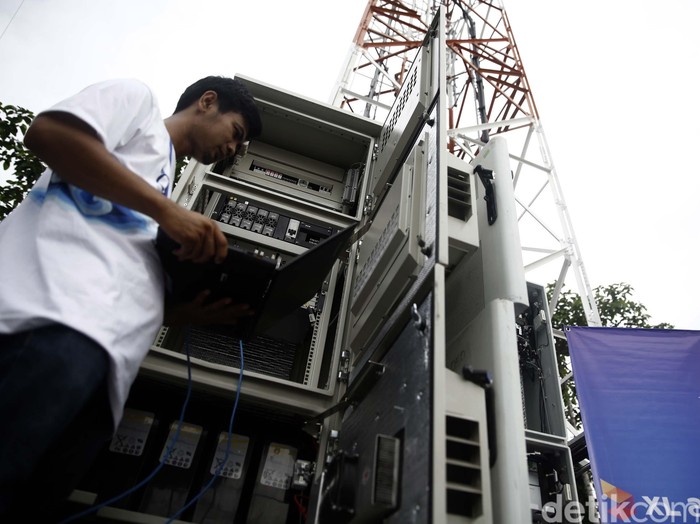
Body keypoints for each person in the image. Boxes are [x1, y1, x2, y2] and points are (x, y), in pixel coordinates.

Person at [0, 75, 263, 519]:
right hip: (50, 327)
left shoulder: (160, 185)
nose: (233, 149)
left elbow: (113, 264)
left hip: (105, 377)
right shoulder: (139, 107)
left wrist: (179, 312)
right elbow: (49, 133)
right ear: (207, 101)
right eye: (235, 133)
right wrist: (166, 212)